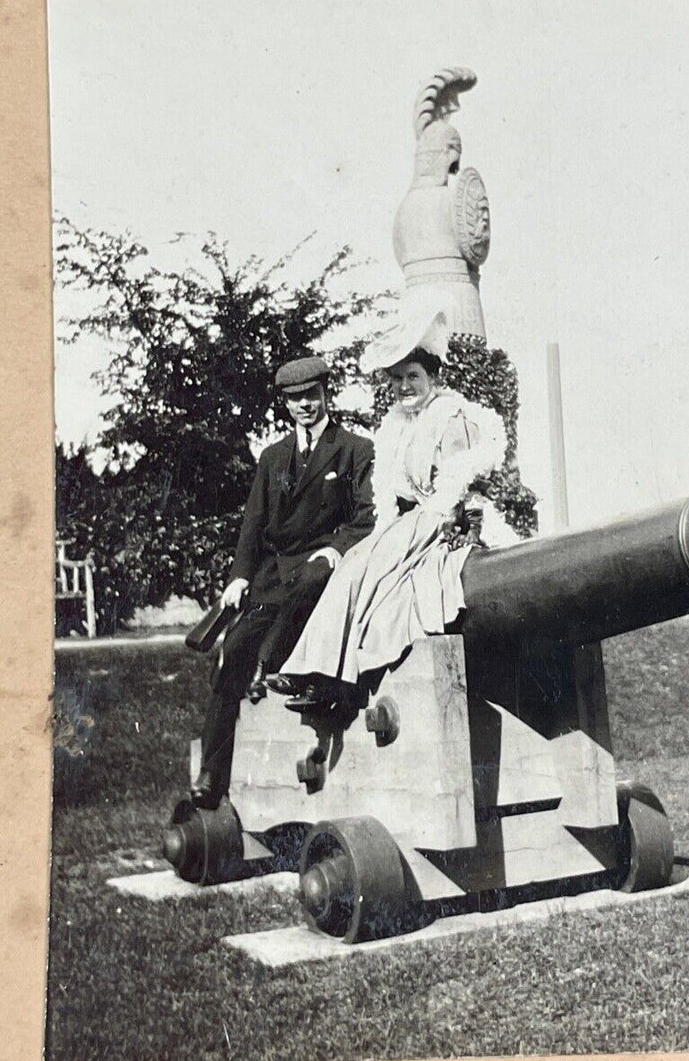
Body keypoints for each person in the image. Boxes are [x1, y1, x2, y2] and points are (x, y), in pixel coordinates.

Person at [273, 301, 509, 706]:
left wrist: (426, 529)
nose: (404, 387)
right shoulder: (395, 425)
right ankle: (320, 671)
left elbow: (461, 488)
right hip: (414, 521)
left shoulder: (453, 416)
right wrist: (388, 531)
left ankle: (329, 675)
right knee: (355, 565)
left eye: (413, 376)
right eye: (397, 379)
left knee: (374, 573)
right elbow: (388, 492)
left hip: (447, 520)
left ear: (433, 376)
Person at [187, 355, 375, 809]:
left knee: (297, 598)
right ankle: (212, 774)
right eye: (295, 400)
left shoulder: (354, 450)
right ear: (285, 404)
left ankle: (267, 668)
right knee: (232, 650)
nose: (304, 406)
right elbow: (253, 525)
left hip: (319, 574)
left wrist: (334, 550)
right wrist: (239, 577)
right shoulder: (272, 458)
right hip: (273, 577)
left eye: (311, 395)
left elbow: (365, 518)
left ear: (326, 393)